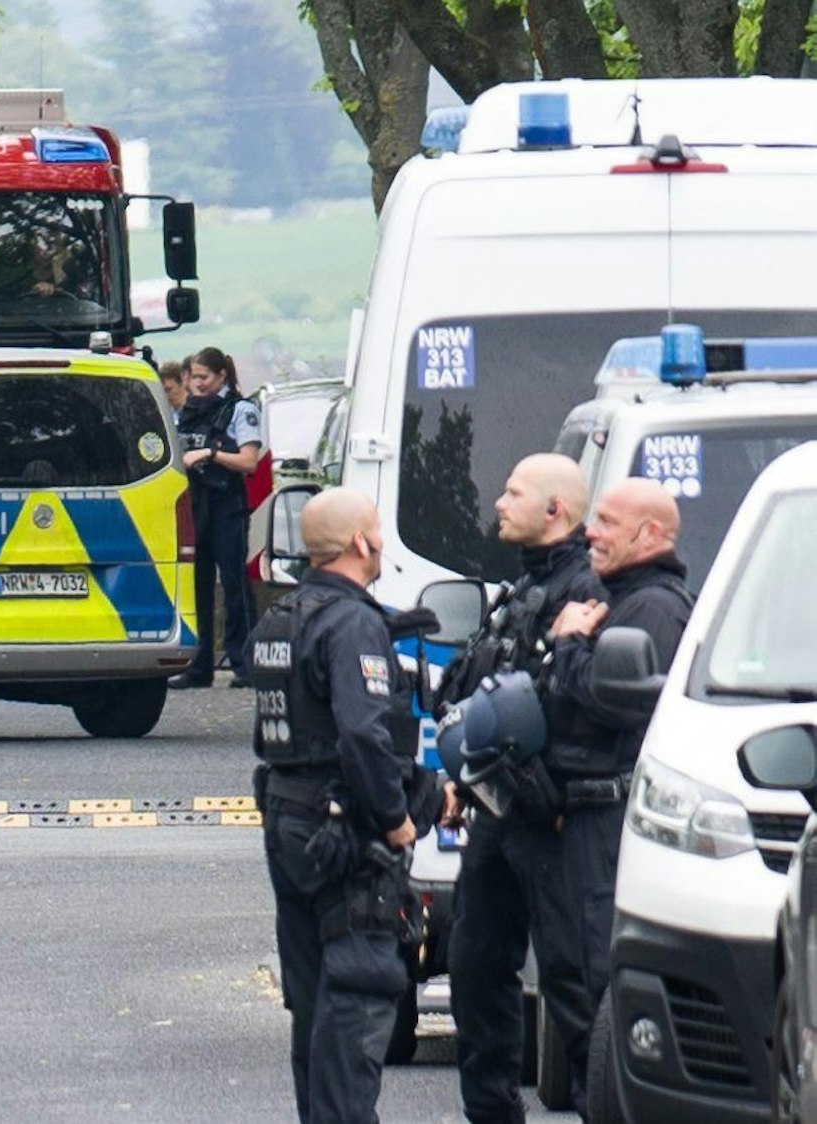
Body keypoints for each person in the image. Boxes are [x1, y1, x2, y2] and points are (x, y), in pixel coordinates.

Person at [252, 487, 426, 1124]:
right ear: (361, 542)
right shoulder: (351, 621)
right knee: (355, 994)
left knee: (314, 1001)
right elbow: (361, 732)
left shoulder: (283, 617)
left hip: (289, 821)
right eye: (377, 530)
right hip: (342, 833)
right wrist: (396, 818)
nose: (379, 541)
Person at [443, 454, 602, 1122]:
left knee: (569, 980)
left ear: (553, 510)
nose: (498, 502)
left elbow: (577, 707)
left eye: (513, 493)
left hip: (551, 818)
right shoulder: (520, 591)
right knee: (475, 970)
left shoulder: (588, 593)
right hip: (497, 810)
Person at [547, 477, 693, 1007]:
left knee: (596, 978)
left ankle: (601, 1094)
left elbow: (615, 702)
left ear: (650, 534)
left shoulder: (654, 609)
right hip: (585, 813)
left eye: (608, 522)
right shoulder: (614, 600)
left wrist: (567, 645)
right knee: (571, 972)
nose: (590, 533)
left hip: (612, 815)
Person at [174, 347, 263, 688]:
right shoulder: (187, 412)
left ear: (221, 376)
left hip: (227, 506)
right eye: (193, 377)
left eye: (203, 377)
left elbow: (249, 461)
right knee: (196, 586)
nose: (197, 384)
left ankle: (245, 663)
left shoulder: (240, 410)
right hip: (196, 505)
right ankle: (199, 666)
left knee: (234, 584)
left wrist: (210, 453)